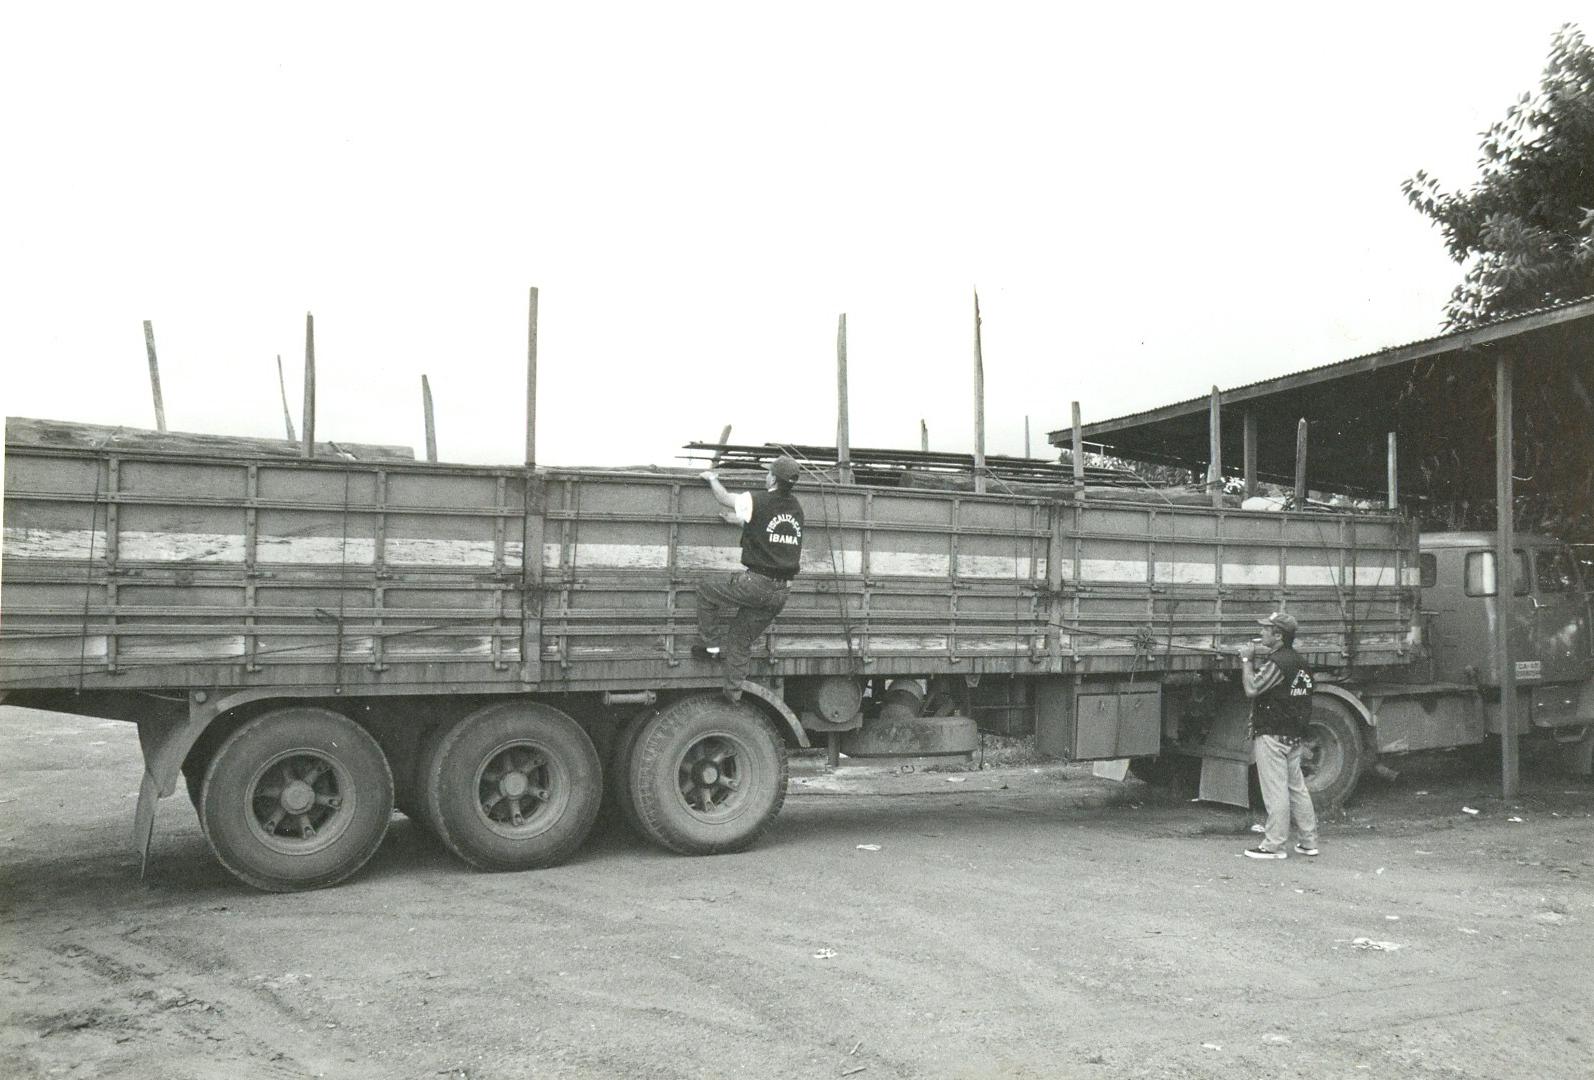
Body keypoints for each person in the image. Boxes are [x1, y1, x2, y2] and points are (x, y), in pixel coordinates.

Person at [693, 455, 804, 704]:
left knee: (707, 588)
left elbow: (724, 498)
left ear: (773, 478)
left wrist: (712, 478)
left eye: (768, 472)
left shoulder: (757, 499)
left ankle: (710, 646)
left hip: (757, 584)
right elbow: (769, 532)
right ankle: (733, 696)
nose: (766, 476)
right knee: (739, 640)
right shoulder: (795, 507)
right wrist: (740, 522)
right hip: (782, 591)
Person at [1240, 611, 1320, 859]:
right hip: (1293, 734)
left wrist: (1246, 661)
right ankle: (1308, 842)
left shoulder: (1277, 663)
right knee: (1297, 788)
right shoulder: (1299, 662)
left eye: (1266, 629)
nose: (1261, 632)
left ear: (1278, 635)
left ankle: (1274, 846)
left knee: (1275, 791)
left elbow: (1252, 688)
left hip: (1273, 735)